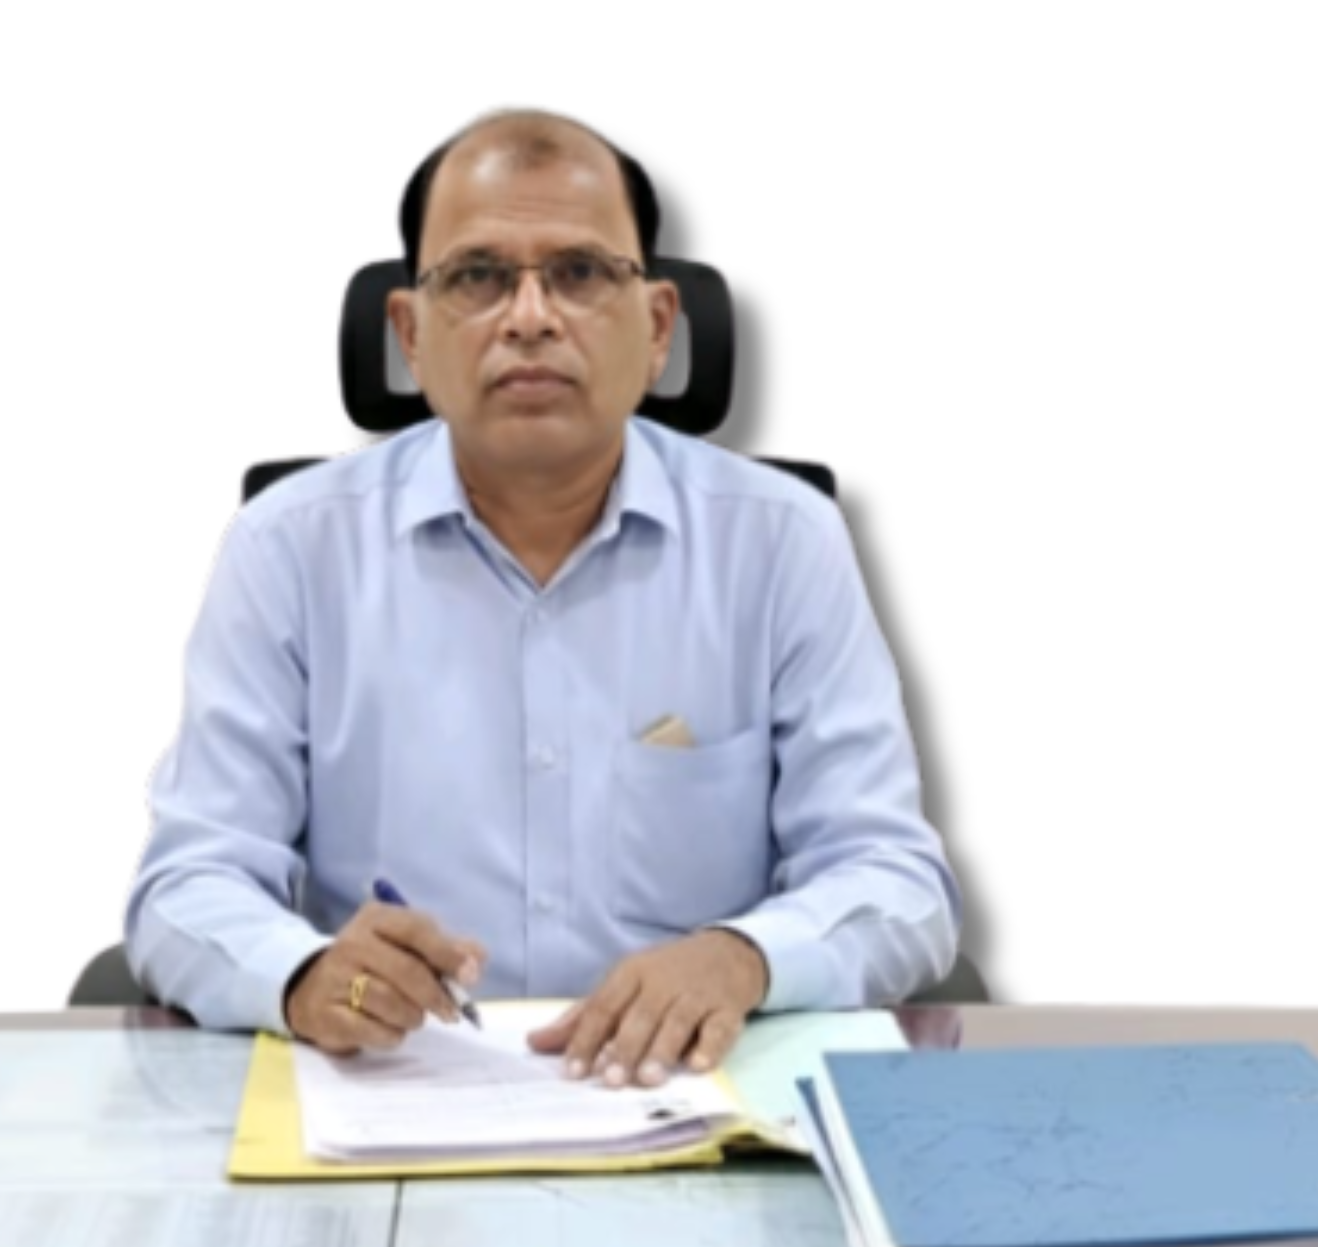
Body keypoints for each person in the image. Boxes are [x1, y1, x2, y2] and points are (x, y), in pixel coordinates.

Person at [125, 108, 961, 1088]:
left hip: (690, 1099)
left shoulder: (780, 542)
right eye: (477, 277)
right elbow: (187, 884)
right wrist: (303, 974)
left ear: (657, 328)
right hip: (396, 1101)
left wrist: (745, 957)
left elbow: (896, 882)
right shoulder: (291, 547)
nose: (529, 316)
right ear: (410, 334)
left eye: (580, 273)